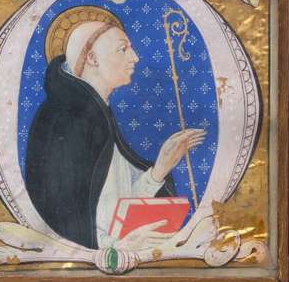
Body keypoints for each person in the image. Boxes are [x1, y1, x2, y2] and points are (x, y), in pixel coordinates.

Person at [23, 15, 204, 251]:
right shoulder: (64, 120)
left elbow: (117, 205)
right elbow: (65, 222)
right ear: (92, 58)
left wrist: (160, 168)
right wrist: (119, 246)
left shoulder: (98, 114)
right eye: (123, 49)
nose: (135, 57)